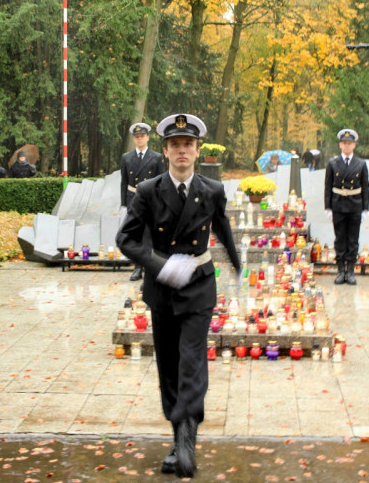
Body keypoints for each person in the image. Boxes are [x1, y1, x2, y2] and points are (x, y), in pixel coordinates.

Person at [116, 113, 240, 478]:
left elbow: (223, 229)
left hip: (199, 286)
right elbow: (126, 239)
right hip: (162, 287)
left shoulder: (211, 190)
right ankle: (176, 437)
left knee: (192, 361)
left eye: (188, 145)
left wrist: (237, 265)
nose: (182, 151)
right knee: (168, 366)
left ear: (197, 150)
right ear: (165, 151)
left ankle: (188, 435)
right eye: (175, 145)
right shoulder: (149, 190)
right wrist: (158, 265)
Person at [120, 122, 165, 281]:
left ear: (147, 137)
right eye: (137, 137)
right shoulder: (126, 157)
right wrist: (124, 204)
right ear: (134, 139)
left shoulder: (157, 157)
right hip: (134, 199)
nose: (140, 139)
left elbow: (162, 182)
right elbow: (124, 182)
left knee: (150, 234)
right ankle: (138, 267)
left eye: (142, 136)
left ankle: (150, 267)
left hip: (151, 200)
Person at [324, 129, 369, 285]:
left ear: (354, 145)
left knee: (353, 240)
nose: (347, 146)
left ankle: (350, 271)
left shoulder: (361, 164)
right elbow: (328, 186)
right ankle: (340, 271)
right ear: (340, 145)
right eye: (344, 143)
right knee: (340, 239)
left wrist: (365, 209)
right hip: (338, 205)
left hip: (355, 206)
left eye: (349, 143)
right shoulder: (332, 163)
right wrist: (328, 207)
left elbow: (365, 187)